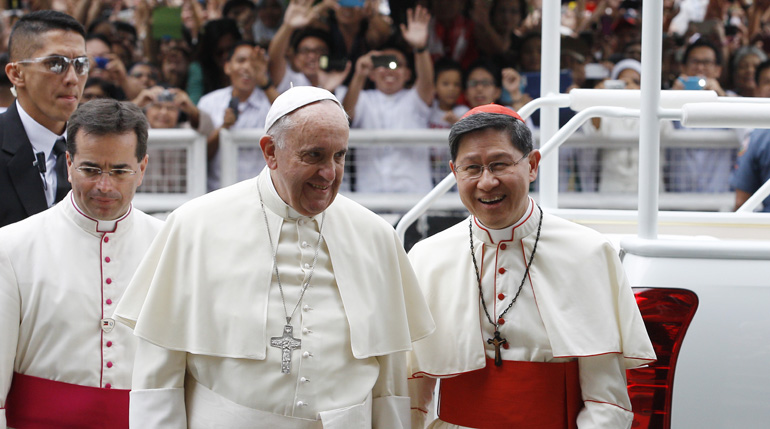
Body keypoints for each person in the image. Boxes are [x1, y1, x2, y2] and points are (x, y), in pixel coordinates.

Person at [114, 86, 435, 427]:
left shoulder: (375, 235)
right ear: (270, 151)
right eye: (313, 155)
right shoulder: (195, 225)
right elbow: (158, 378)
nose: (329, 173)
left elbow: (389, 384)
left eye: (339, 156)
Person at [407, 104, 655, 428]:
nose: (487, 182)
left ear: (533, 165)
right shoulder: (427, 257)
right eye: (472, 168)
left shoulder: (587, 252)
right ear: (455, 172)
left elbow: (607, 402)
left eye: (500, 164)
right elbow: (412, 397)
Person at [0, 99, 164, 427]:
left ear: (142, 168)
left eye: (120, 171)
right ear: (69, 163)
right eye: (91, 170)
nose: (104, 186)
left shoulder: (169, 245)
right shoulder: (12, 245)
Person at [0, 10, 87, 228]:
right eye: (56, 64)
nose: (72, 79)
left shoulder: (95, 146)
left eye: (81, 64)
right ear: (17, 73)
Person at [343, 6, 435, 193]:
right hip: (370, 197)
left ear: (408, 74)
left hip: (414, 198)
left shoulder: (414, 99)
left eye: (397, 64)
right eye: (383, 64)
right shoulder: (363, 98)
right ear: (372, 73)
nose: (390, 70)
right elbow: (345, 115)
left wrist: (420, 47)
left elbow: (426, 81)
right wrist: (359, 74)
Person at [197, 40, 277, 190]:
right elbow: (201, 154)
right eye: (241, 60)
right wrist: (224, 127)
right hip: (218, 192)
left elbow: (291, 117)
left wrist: (264, 81)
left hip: (260, 193)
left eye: (253, 62)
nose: (247, 67)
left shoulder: (270, 103)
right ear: (227, 67)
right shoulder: (208, 103)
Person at [668, 38, 738, 192]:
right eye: (694, 62)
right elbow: (658, 129)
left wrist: (720, 96)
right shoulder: (671, 99)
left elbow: (745, 133)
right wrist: (672, 97)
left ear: (718, 70)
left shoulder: (731, 100)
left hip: (720, 196)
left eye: (707, 63)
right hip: (678, 197)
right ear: (683, 67)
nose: (700, 68)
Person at [731, 59, 770, 212]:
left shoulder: (757, 137)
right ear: (757, 88)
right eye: (767, 81)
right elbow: (741, 200)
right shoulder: (757, 137)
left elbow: (741, 203)